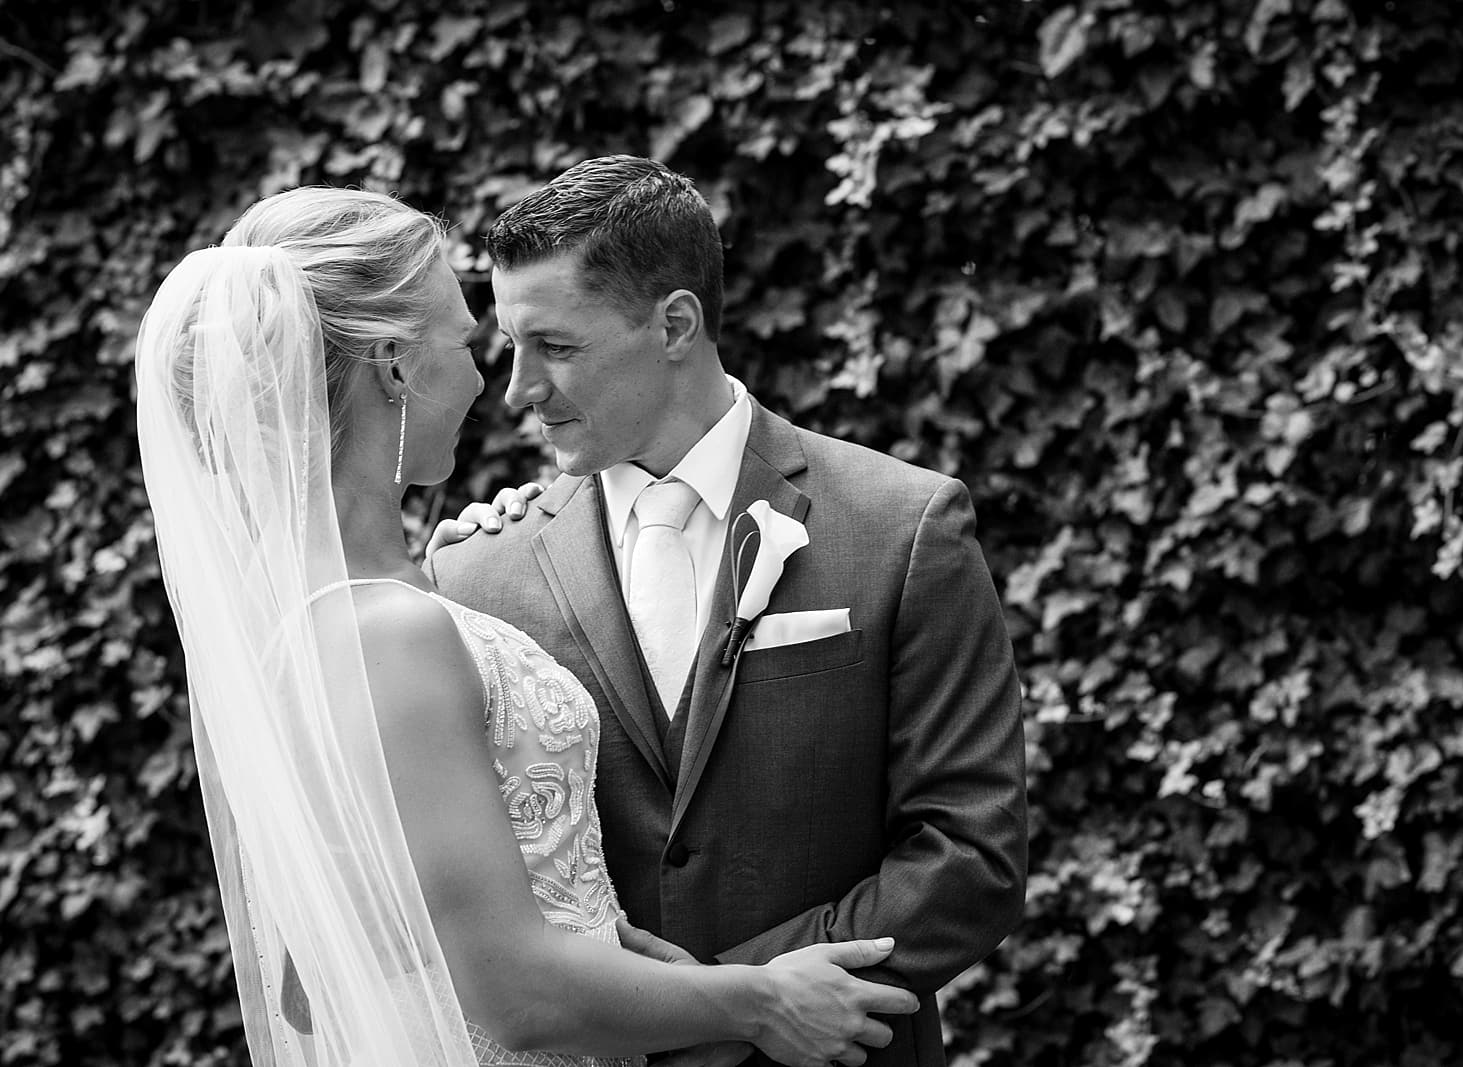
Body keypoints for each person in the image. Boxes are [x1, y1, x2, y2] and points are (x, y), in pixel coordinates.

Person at [134, 186, 919, 1067]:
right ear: (395, 366)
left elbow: (318, 978)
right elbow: (518, 994)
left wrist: (613, 953)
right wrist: (758, 1000)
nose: (493, 384)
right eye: (470, 344)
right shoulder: (392, 630)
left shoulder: (364, 604)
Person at [426, 156, 1027, 1067]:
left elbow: (968, 854)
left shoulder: (902, 526)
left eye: (556, 346)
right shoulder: (479, 571)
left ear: (675, 323)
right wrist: (699, 1009)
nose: (520, 389)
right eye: (510, 347)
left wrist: (736, 1004)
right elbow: (481, 889)